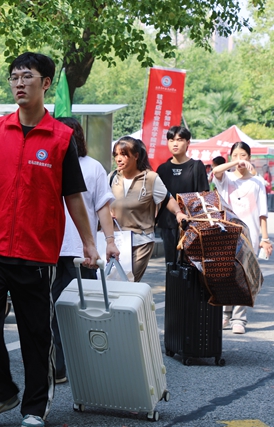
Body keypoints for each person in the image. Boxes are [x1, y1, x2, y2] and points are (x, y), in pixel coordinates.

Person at [0, 52, 100, 427]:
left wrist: (88, 243)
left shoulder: (61, 138)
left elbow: (74, 197)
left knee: (36, 335)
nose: (19, 83)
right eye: (15, 77)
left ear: (45, 83)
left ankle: (34, 407)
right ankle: (0, 394)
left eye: (28, 77)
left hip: (37, 252)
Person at [50, 117, 120, 385]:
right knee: (51, 310)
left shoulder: (92, 168)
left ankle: (88, 364)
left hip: (80, 253)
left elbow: (103, 206)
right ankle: (58, 365)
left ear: (75, 137)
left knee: (83, 311)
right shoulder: (47, 164)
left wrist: (109, 241)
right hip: (48, 250)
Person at [212, 141, 273, 335]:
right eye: (236, 155)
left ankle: (239, 318)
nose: (240, 159)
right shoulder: (227, 179)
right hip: (226, 233)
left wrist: (265, 238)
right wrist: (234, 163)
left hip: (250, 235)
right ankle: (225, 314)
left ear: (250, 157)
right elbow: (216, 172)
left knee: (244, 275)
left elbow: (263, 213)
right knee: (225, 274)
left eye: (244, 155)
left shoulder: (257, 182)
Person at [109, 136, 188, 283]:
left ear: (136, 156)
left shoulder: (150, 178)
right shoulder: (112, 177)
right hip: (117, 239)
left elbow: (167, 198)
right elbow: (103, 202)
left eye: (124, 154)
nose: (119, 159)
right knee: (111, 282)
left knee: (128, 282)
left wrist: (178, 213)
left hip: (141, 239)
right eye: (116, 155)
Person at [156, 126, 209, 265]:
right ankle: (171, 288)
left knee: (190, 265)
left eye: (179, 140)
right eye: (171, 140)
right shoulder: (162, 169)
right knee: (170, 264)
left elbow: (204, 196)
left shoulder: (196, 166)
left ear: (188, 143)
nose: (175, 143)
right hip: (167, 224)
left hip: (191, 225)